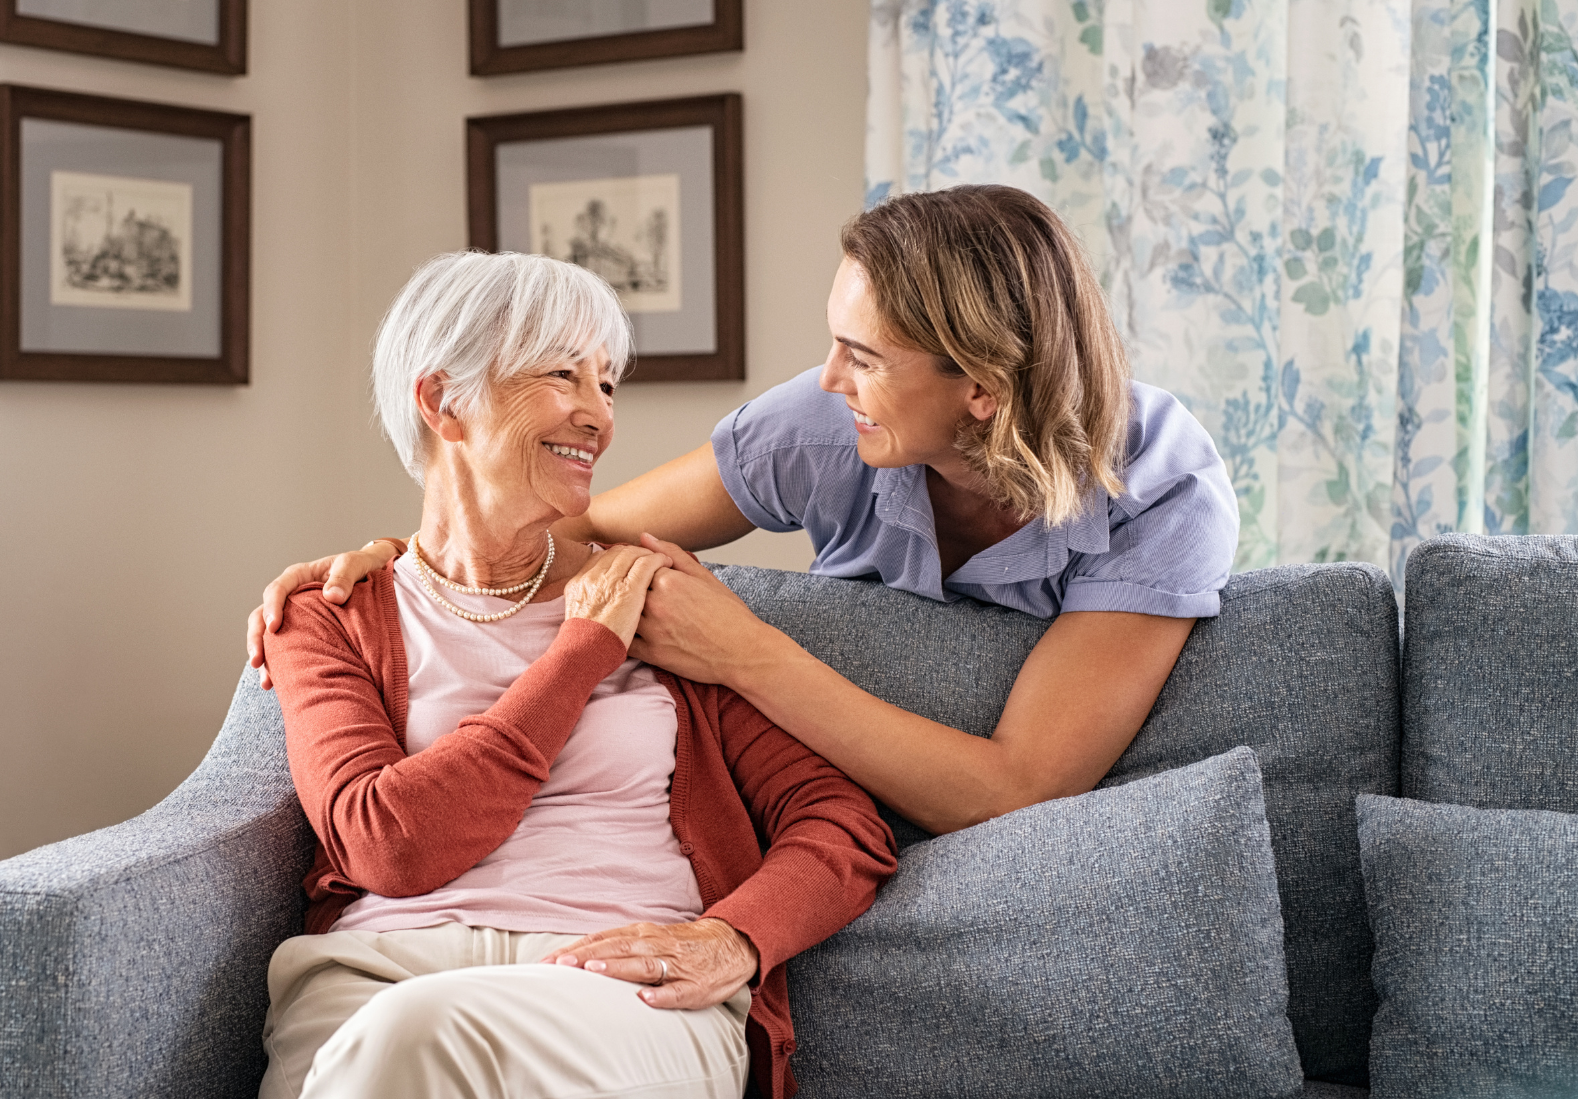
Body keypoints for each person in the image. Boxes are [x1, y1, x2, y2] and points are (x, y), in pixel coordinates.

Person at [252, 184, 1240, 837]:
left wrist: (741, 651)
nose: (826, 376)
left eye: (864, 357)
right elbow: (567, 535)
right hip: (820, 807)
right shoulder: (817, 426)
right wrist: (399, 561)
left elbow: (1018, 790)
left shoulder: (1157, 486)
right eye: (832, 340)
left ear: (980, 387)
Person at [260, 251, 898, 1099]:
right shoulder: (330, 612)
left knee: (411, 1040)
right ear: (440, 402)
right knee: (395, 1036)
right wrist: (581, 653)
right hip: (374, 977)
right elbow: (387, 844)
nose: (598, 416)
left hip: (614, 988)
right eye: (564, 375)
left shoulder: (658, 602)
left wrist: (735, 940)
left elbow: (840, 824)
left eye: (607, 385)